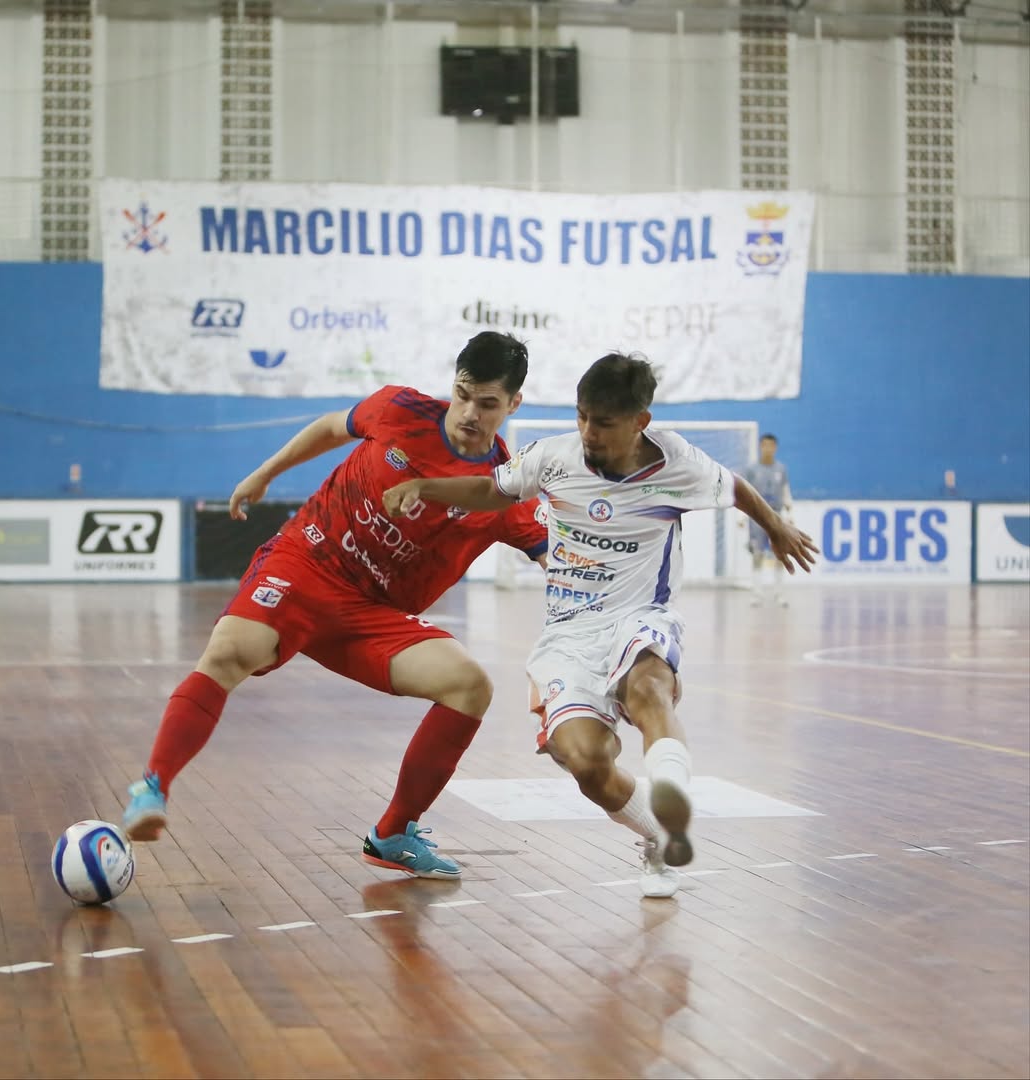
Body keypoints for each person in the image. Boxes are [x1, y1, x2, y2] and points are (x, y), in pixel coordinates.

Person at [382, 352, 817, 898]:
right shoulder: (554, 457)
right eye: (582, 416)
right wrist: (424, 487)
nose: (588, 431)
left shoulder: (677, 463)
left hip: (640, 616)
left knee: (649, 687)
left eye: (604, 422)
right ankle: (660, 834)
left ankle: (672, 790)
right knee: (587, 762)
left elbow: (735, 488)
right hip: (568, 634)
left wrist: (776, 527)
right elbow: (492, 491)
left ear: (640, 422)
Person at [122, 331, 549, 879]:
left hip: (372, 617)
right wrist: (266, 473)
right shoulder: (400, 409)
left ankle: (393, 833)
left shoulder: (505, 491)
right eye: (463, 393)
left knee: (470, 686)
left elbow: (558, 568)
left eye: (487, 403)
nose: (469, 412)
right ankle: (152, 787)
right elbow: (330, 427)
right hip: (309, 562)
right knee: (232, 650)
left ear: (513, 404)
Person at [741, 433, 794, 607]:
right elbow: (744, 493)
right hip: (757, 517)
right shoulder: (751, 469)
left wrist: (789, 513)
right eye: (765, 445)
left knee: (781, 554)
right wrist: (742, 516)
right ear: (760, 447)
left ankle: (779, 594)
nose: (768, 449)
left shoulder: (781, 469)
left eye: (771, 446)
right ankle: (757, 594)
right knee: (757, 554)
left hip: (777, 516)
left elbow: (786, 491)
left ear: (775, 448)